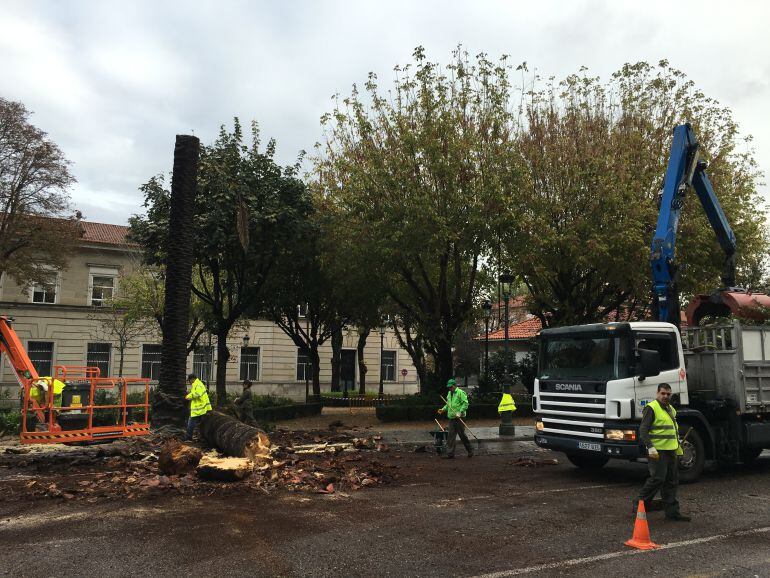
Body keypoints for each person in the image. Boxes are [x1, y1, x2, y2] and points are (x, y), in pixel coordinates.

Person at [634, 383, 691, 521]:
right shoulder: (651, 408)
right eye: (663, 393)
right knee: (658, 478)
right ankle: (640, 504)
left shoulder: (671, 409)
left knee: (671, 481)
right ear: (657, 393)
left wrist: (679, 448)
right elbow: (643, 429)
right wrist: (650, 447)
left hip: (671, 450)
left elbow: (672, 430)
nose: (666, 396)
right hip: (658, 451)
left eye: (668, 394)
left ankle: (672, 513)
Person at [437, 378, 473, 459]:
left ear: (454, 385)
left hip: (460, 418)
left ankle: (470, 450)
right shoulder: (449, 394)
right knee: (451, 436)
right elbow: (448, 404)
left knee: (462, 435)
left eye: (451, 387)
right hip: (452, 418)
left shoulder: (461, 393)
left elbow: (465, 404)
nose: (450, 388)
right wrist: (443, 409)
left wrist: (460, 412)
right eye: (449, 387)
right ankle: (450, 454)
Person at [184, 373, 212, 441]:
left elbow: (197, 394)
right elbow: (195, 392)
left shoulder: (197, 384)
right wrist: (188, 395)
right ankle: (202, 437)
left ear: (192, 379)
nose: (189, 382)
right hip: (201, 408)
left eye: (189, 380)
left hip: (198, 408)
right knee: (201, 423)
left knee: (191, 422)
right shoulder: (197, 384)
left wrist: (188, 397)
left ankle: (188, 437)